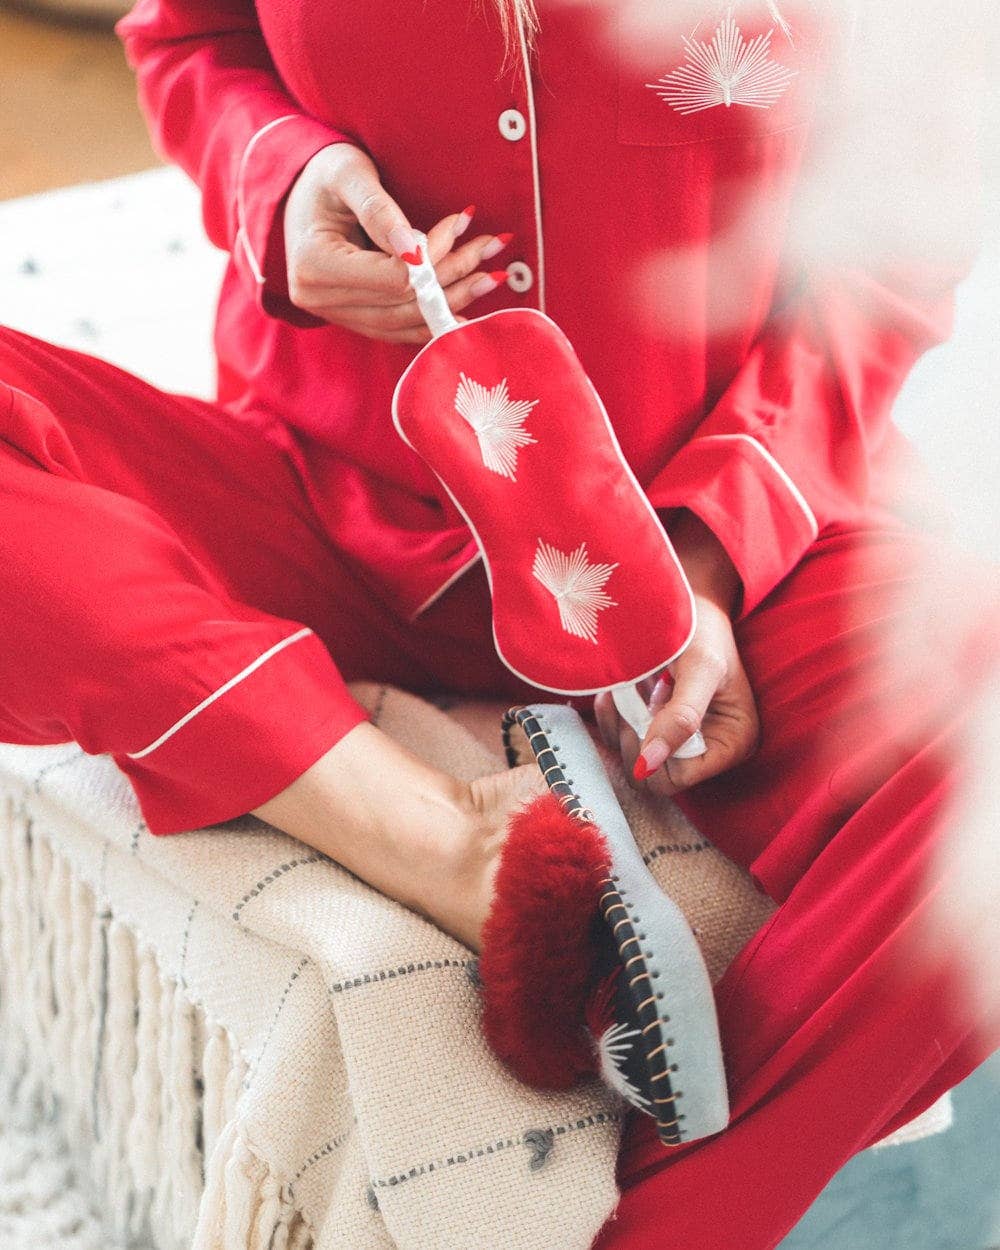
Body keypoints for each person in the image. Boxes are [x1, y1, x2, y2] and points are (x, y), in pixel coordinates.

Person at [0, 0, 996, 1245]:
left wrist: (706, 555)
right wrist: (281, 185)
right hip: (321, 508)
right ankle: (436, 836)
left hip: (702, 540)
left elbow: (904, 217)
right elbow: (191, 36)